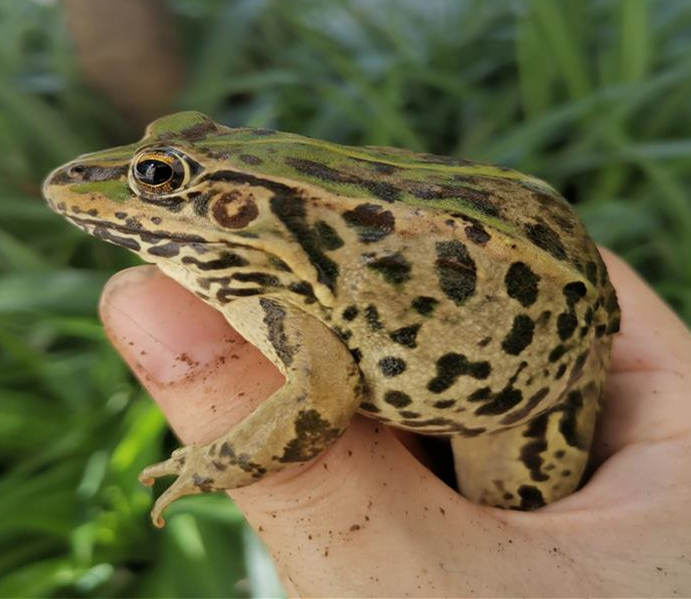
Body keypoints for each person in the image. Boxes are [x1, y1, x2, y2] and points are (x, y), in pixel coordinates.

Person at [100, 250, 691, 597]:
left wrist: (218, 462)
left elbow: (323, 397)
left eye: (157, 179)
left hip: (533, 391)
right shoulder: (260, 282)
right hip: (518, 329)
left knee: (512, 509)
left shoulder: (265, 292)